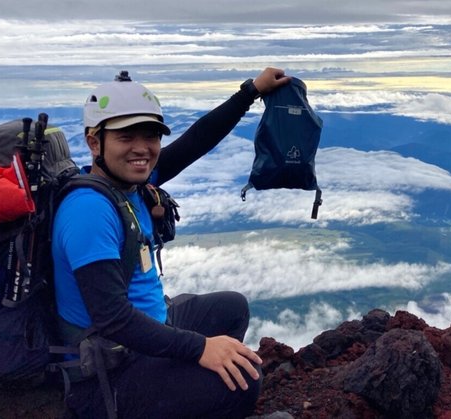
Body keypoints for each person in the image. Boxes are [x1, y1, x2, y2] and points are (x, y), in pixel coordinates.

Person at [52, 68, 290, 418]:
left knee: (232, 307)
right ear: (94, 142)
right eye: (125, 137)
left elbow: (196, 141)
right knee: (244, 378)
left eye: (151, 136)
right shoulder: (89, 211)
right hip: (109, 370)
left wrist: (250, 91)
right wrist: (199, 349)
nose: (142, 149)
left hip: (149, 329)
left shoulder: (129, 182)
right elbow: (113, 318)